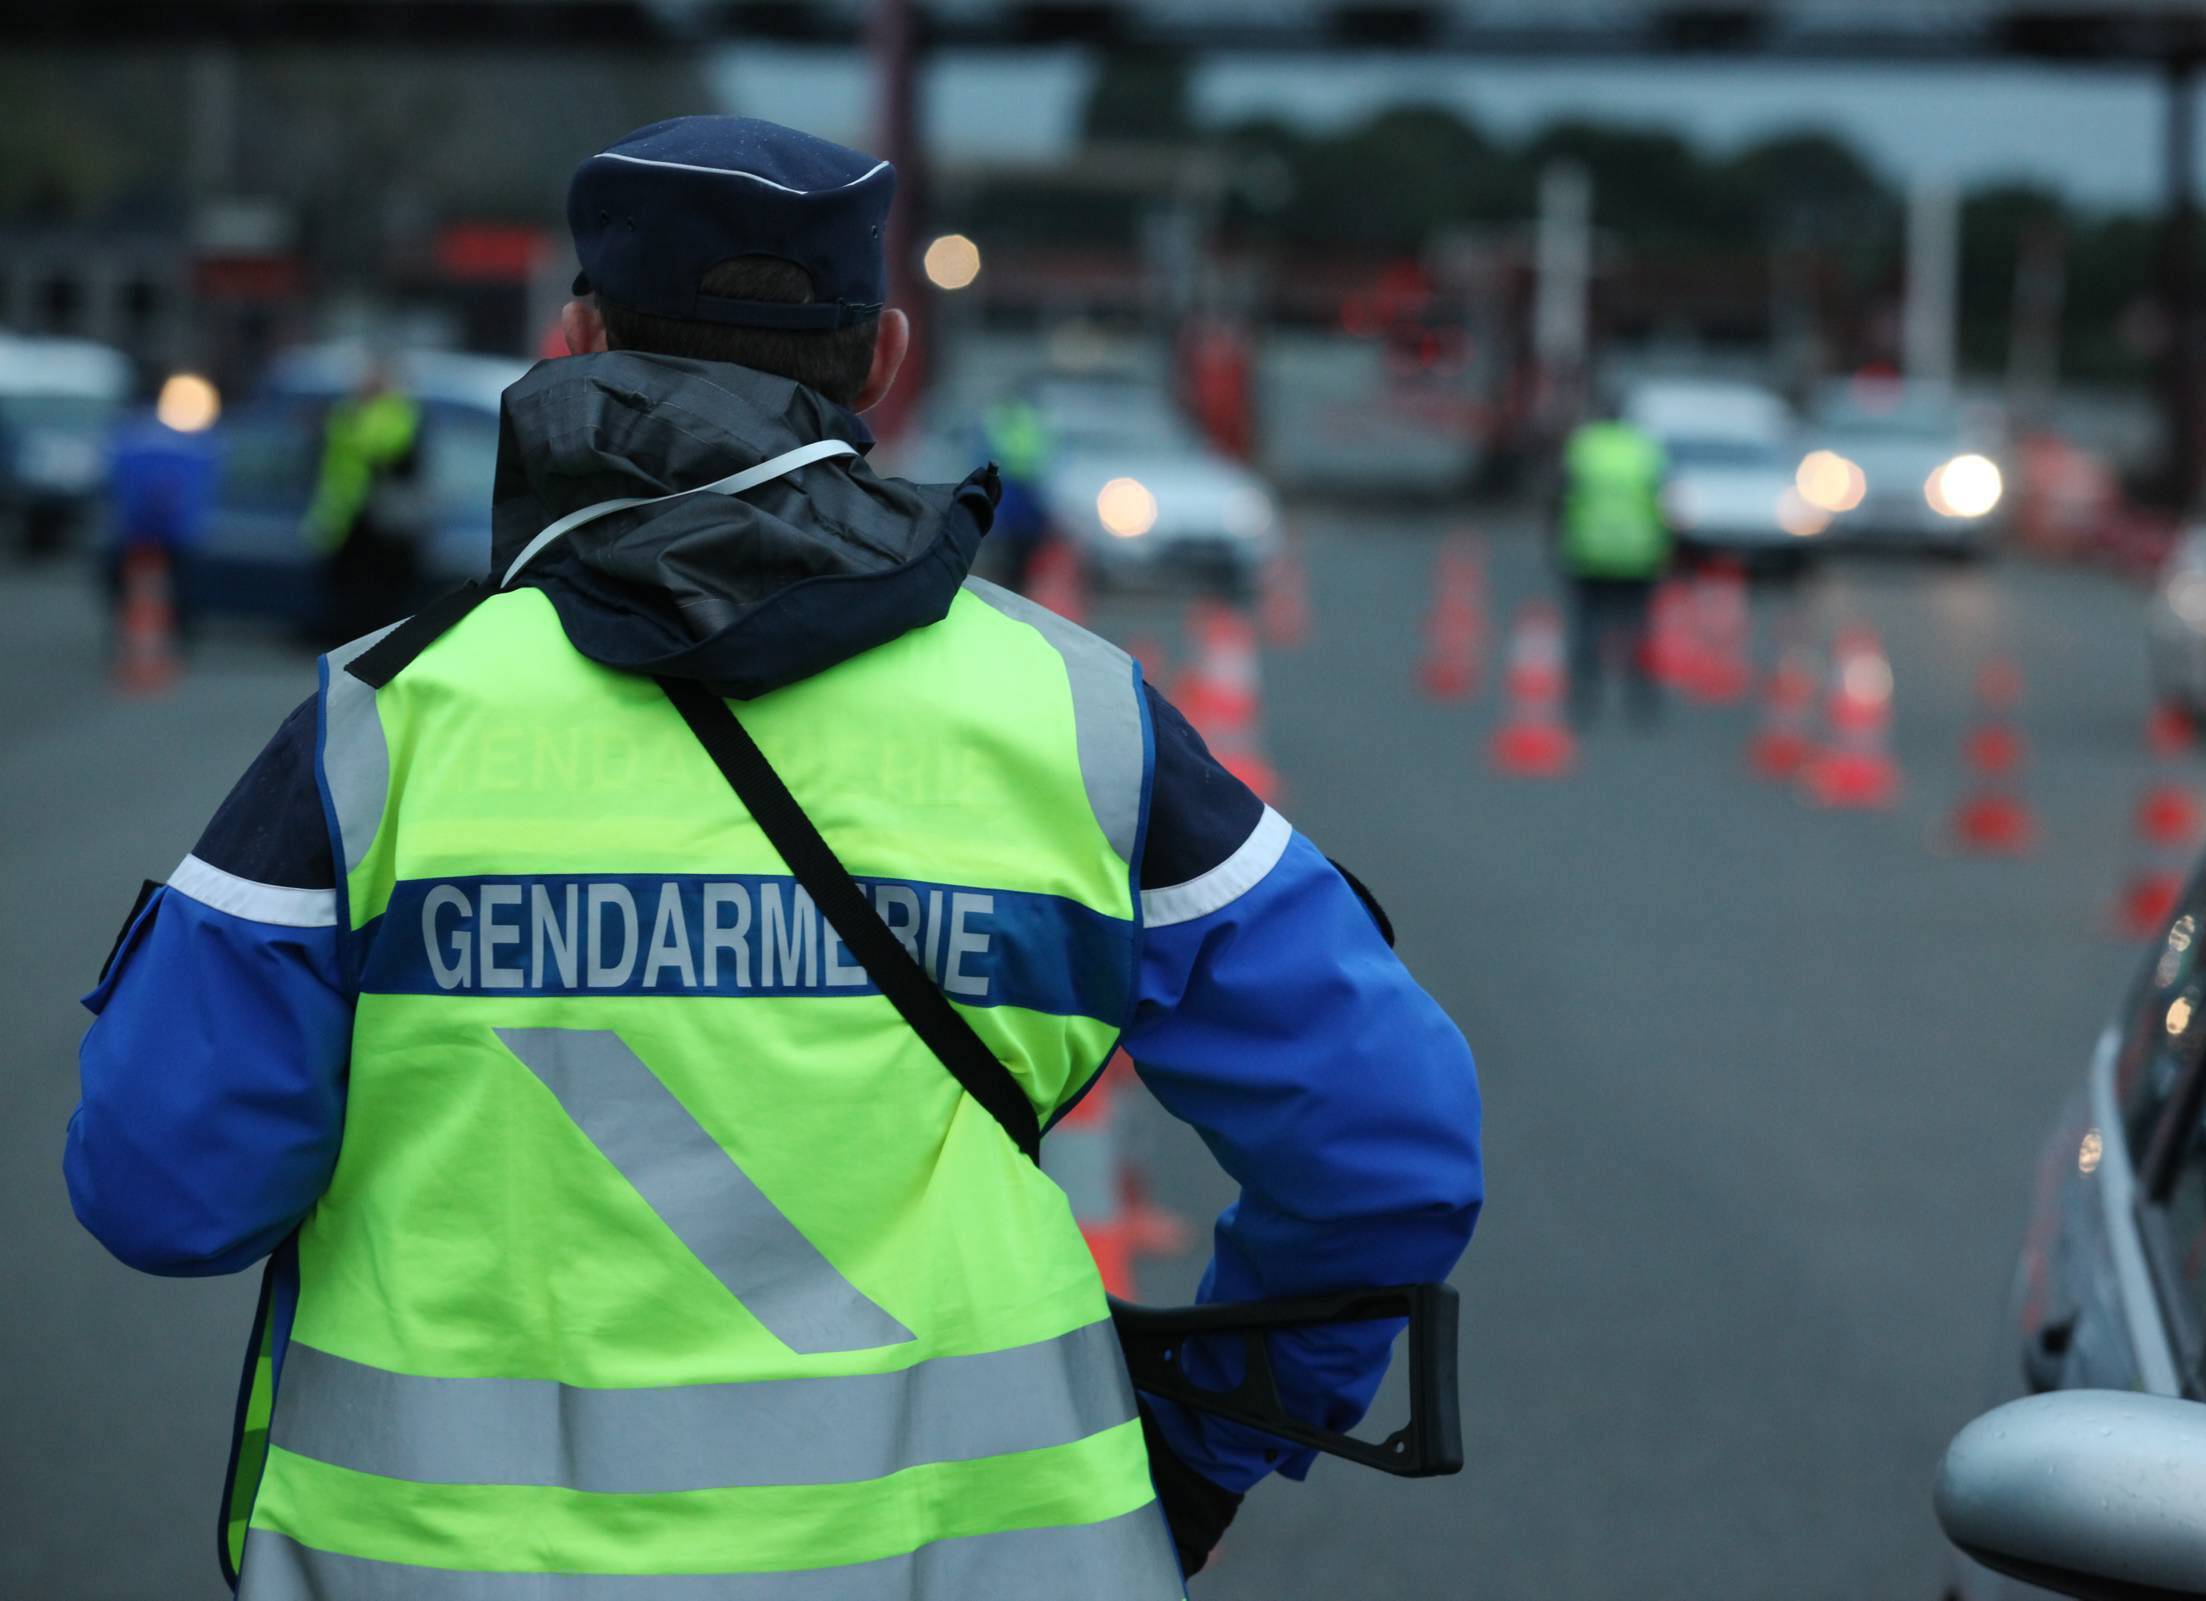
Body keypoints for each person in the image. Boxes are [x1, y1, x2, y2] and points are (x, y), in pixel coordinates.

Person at [65, 116, 1481, 1599]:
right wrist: (1202, 1449)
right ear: (880, 357)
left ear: (572, 338)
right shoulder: (1080, 721)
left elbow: (166, 1188)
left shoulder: (382, 728)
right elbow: (1385, 1146)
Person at [1554, 388, 1672, 723]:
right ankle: (1641, 701)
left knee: (1588, 623)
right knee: (1637, 625)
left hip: (1589, 550)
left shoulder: (1584, 447)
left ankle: (1584, 697)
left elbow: (1561, 498)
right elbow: (1663, 502)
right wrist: (1666, 548)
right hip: (1638, 552)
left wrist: (1558, 543)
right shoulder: (1645, 450)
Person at [304, 360, 423, 643]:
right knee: (350, 593)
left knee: (376, 595)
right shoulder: (347, 414)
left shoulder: (390, 415)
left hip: (379, 521)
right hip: (347, 517)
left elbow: (398, 457)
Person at [102, 374, 221, 645]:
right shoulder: (198, 441)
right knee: (181, 586)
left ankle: (138, 633)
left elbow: (112, 477)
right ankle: (173, 634)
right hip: (166, 529)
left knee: (128, 583)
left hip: (138, 528)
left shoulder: (132, 434)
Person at [976, 381, 1056, 592]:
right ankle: (1017, 581)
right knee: (1020, 541)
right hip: (1024, 484)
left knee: (1010, 539)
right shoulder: (1032, 417)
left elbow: (987, 448)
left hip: (1014, 483)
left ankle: (1011, 580)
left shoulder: (1002, 417)